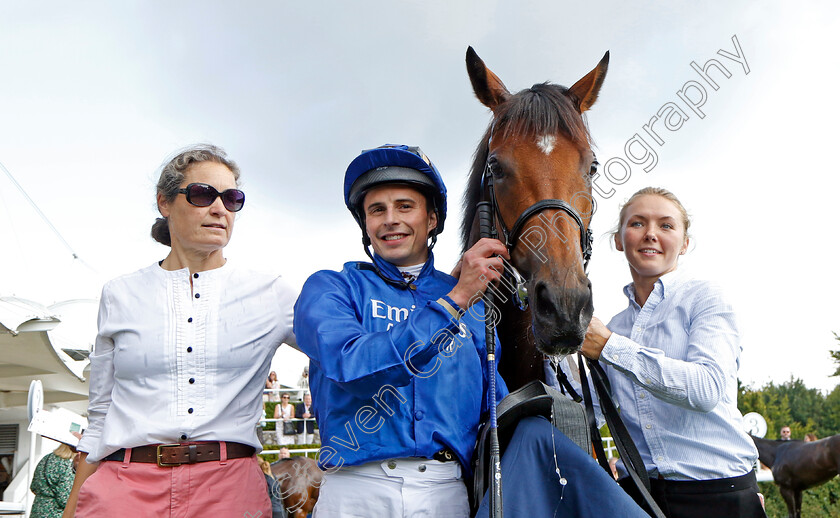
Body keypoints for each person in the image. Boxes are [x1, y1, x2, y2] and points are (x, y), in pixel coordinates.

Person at [62, 144, 296, 518]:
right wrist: (72, 506)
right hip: (123, 490)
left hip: (230, 491)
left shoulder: (272, 293)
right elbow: (101, 412)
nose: (219, 208)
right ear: (164, 203)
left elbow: (346, 356)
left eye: (232, 198)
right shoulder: (119, 294)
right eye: (203, 194)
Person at [294, 144, 511, 517]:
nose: (390, 219)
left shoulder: (474, 307)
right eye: (377, 210)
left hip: (446, 490)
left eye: (405, 206)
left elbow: (496, 411)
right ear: (365, 223)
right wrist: (453, 301)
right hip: (355, 488)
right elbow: (351, 364)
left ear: (431, 220)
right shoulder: (330, 287)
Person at [579, 187, 765, 517]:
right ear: (619, 239)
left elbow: (706, 389)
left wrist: (610, 347)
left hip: (718, 493)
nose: (651, 234)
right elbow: (588, 405)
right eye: (637, 223)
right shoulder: (614, 327)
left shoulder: (706, 299)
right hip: (642, 495)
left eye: (666, 226)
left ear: (685, 243)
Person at [30, 442, 76, 518]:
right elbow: (64, 498)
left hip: (37, 509)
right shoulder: (66, 464)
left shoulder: (46, 458)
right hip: (55, 512)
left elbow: (33, 486)